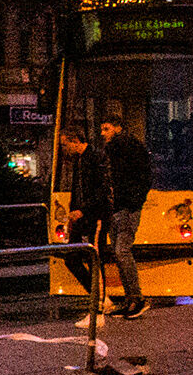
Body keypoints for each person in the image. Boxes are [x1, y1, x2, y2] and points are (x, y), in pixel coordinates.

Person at [99, 118, 151, 317]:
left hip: (125, 207)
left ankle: (136, 298)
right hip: (120, 206)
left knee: (122, 251)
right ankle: (130, 299)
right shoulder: (119, 147)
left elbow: (141, 176)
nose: (103, 133)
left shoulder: (125, 146)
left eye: (107, 129)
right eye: (102, 129)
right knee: (119, 252)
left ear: (118, 128)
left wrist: (132, 201)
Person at [61, 128, 113, 305]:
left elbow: (102, 190)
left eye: (65, 144)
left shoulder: (95, 158)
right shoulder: (80, 160)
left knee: (94, 259)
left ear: (75, 140)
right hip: (81, 217)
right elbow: (77, 190)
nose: (64, 149)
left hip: (95, 215)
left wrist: (82, 209)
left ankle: (100, 300)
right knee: (71, 258)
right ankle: (96, 295)